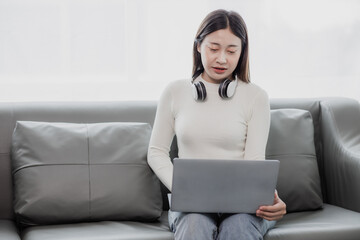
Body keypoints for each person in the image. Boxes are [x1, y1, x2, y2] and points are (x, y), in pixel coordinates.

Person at [147, 9, 286, 240]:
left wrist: (267, 198)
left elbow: (254, 163)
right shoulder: (174, 92)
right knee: (194, 225)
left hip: (242, 206)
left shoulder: (256, 97)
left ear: (242, 53)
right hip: (191, 205)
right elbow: (156, 151)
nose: (222, 59)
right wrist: (184, 190)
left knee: (239, 227)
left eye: (232, 51)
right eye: (213, 49)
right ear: (198, 46)